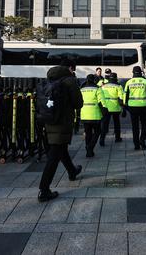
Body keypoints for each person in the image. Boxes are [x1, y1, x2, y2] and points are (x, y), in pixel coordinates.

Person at [39, 59, 83, 202]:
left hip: (49, 120)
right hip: (62, 122)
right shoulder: (70, 81)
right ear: (70, 68)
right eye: (73, 69)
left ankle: (72, 171)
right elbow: (78, 104)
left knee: (61, 149)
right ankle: (44, 190)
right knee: (54, 155)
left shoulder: (49, 78)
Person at [124, 66, 146, 150]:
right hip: (143, 106)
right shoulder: (145, 81)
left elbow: (125, 95)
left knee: (135, 126)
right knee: (144, 125)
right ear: (141, 72)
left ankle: (136, 144)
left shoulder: (129, 82)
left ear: (133, 72)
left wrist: (125, 107)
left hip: (132, 107)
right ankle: (142, 140)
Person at [80, 74, 104, 157]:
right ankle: (90, 147)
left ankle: (88, 152)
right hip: (95, 114)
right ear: (94, 80)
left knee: (88, 133)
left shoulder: (82, 89)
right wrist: (104, 112)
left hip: (84, 114)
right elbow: (101, 102)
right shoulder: (97, 89)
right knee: (97, 131)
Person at [100, 72, 123, 145]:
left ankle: (102, 139)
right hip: (115, 107)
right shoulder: (118, 86)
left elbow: (100, 97)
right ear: (116, 78)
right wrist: (123, 108)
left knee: (105, 124)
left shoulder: (104, 86)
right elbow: (121, 98)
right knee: (117, 123)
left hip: (106, 107)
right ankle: (117, 138)